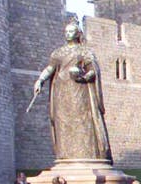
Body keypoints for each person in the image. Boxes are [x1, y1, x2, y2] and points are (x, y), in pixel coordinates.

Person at [32, 20, 113, 162]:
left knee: (83, 121)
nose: (68, 34)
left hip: (80, 91)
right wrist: (40, 80)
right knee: (63, 123)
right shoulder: (58, 52)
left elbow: (93, 70)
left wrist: (85, 76)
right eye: (66, 32)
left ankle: (87, 154)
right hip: (61, 92)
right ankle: (66, 154)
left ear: (77, 34)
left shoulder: (84, 51)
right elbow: (50, 68)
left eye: (71, 31)